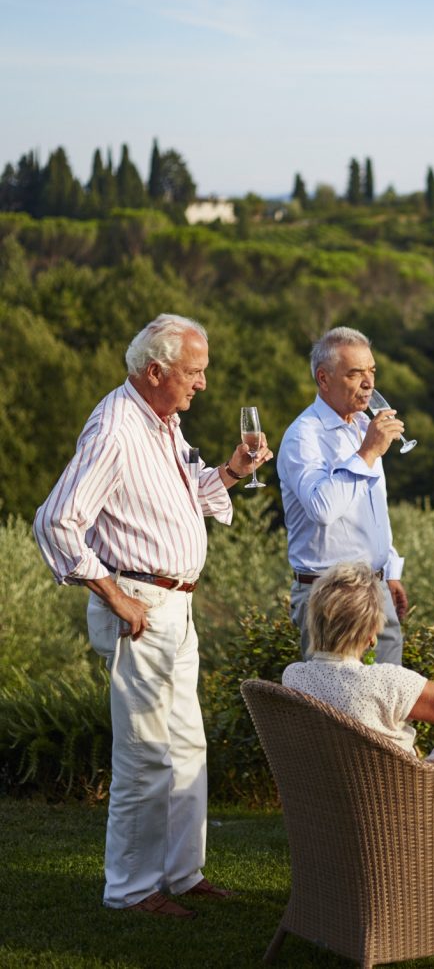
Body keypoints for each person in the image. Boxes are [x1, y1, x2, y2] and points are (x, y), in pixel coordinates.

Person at [34, 313, 274, 917]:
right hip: (141, 607)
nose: (202, 385)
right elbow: (55, 520)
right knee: (144, 752)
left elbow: (183, 498)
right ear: (156, 370)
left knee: (186, 746)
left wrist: (235, 471)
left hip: (175, 607)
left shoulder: (161, 421)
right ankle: (131, 890)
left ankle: (182, 873)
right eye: (194, 373)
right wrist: (114, 597)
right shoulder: (116, 426)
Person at [277, 326, 408, 663]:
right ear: (324, 379)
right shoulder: (302, 437)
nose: (369, 383)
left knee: (388, 701)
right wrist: (367, 454)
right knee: (332, 710)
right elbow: (322, 508)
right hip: (328, 595)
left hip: (375, 589)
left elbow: (374, 509)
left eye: (372, 372)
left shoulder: (364, 427)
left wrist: (389, 571)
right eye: (355, 374)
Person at [283, 561, 434, 759]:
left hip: (326, 792)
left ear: (314, 620)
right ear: (371, 633)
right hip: (403, 794)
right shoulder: (387, 683)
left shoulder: (293, 677)